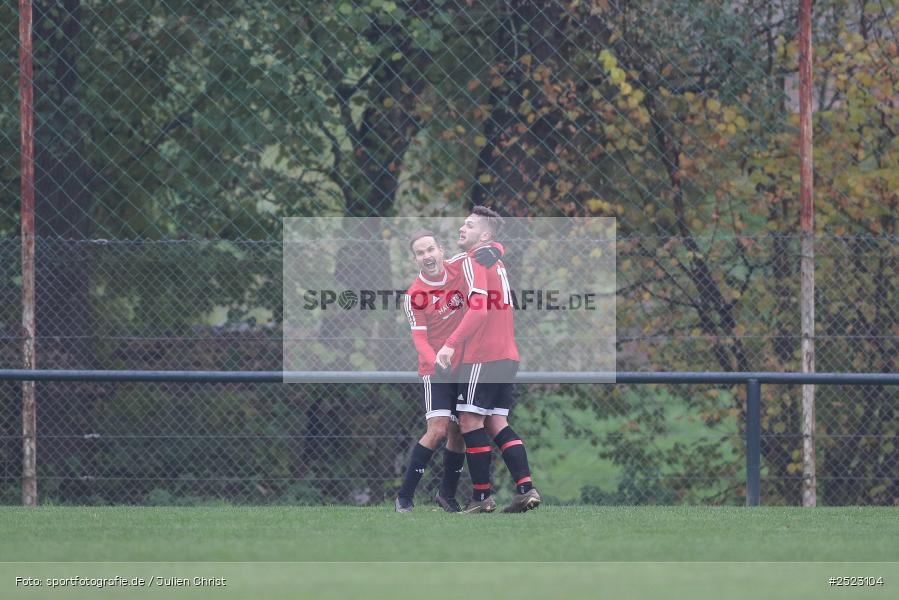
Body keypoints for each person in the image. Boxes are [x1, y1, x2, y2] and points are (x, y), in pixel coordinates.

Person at [436, 206, 540, 514]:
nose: (461, 229)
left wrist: (450, 345)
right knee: (497, 422)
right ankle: (526, 489)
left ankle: (481, 498)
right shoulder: (492, 259)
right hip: (507, 354)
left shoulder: (475, 260)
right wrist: (496, 247)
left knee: (469, 420)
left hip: (483, 353)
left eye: (469, 225)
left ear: (485, 235)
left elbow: (477, 307)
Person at [395, 229, 503, 513]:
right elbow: (419, 338)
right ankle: (404, 497)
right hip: (435, 370)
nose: (427, 256)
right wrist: (435, 362)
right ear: (415, 259)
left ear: (441, 250)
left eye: (430, 249)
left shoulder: (459, 266)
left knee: (459, 432)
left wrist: (499, 249)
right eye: (420, 253)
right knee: (438, 429)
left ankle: (446, 495)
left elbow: (484, 249)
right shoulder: (414, 295)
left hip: (465, 365)